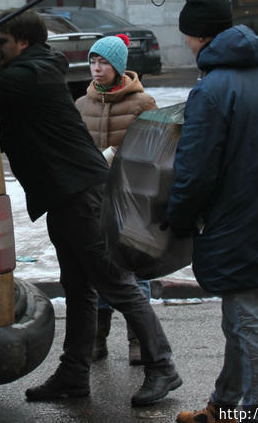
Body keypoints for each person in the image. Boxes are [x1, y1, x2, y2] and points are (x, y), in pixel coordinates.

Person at [0, 8, 181, 408]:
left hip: (82, 194)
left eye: (0, 42)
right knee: (78, 287)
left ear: (21, 41)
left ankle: (162, 366)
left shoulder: (32, 73)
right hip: (65, 194)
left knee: (116, 284)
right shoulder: (35, 70)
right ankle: (74, 374)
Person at [164, 0, 258, 423]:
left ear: (199, 35)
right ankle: (224, 404)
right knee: (237, 315)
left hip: (236, 217)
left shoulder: (211, 90)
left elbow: (195, 169)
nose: (186, 43)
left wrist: (179, 217)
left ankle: (256, 412)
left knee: (247, 317)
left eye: (187, 35)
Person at [74, 34, 157, 366]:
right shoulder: (82, 105)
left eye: (103, 62)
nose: (96, 68)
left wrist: (115, 157)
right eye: (93, 61)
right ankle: (98, 336)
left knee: (136, 267)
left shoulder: (142, 104)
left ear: (119, 66)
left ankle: (139, 339)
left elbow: (153, 151)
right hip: (95, 200)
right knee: (100, 267)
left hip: (133, 198)